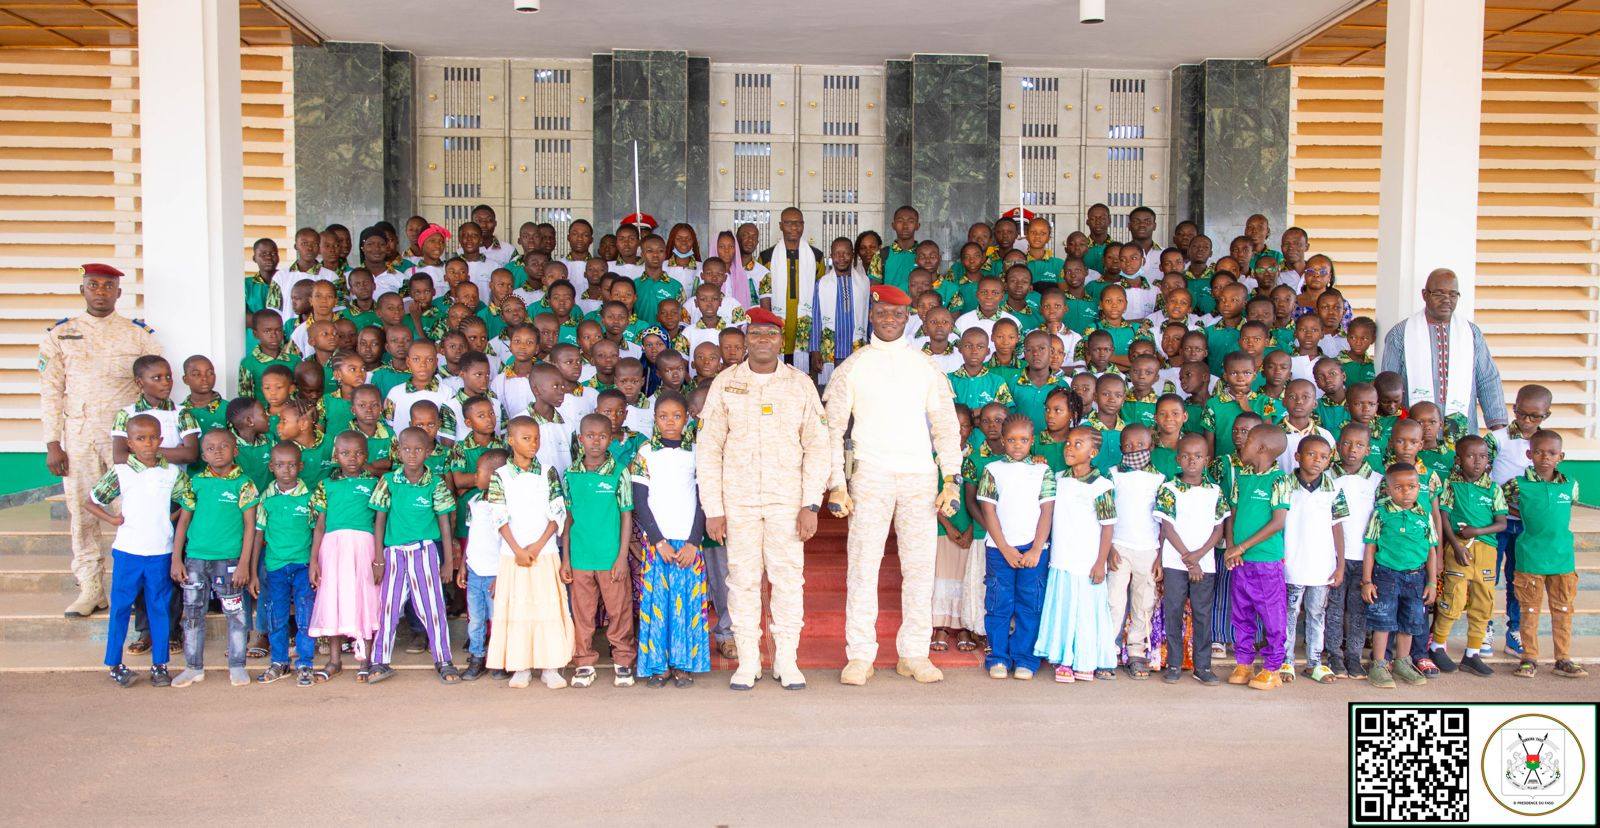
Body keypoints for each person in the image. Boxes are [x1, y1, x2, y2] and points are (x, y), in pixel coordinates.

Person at [824, 284, 963, 686]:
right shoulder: (853, 365)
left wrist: (950, 478)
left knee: (919, 569)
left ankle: (914, 653)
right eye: (882, 313)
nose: (889, 320)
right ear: (871, 316)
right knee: (863, 567)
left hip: (920, 475)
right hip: (870, 474)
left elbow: (945, 426)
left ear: (909, 318)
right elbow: (832, 429)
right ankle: (860, 656)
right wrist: (837, 483)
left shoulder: (925, 366)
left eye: (897, 314)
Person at [697, 307, 829, 691]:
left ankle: (786, 660)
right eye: (755, 334)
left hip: (786, 501)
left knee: (788, 580)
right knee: (741, 580)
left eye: (770, 335)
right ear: (745, 339)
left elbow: (817, 447)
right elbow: (709, 449)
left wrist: (811, 504)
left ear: (781, 341)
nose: (762, 342)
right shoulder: (726, 383)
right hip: (737, 501)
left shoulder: (799, 385)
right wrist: (714, 509)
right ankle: (749, 660)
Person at [41, 263, 164, 618]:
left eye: (108, 286)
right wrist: (52, 442)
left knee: (133, 510)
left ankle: (132, 588)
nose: (100, 291)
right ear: (82, 289)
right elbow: (51, 391)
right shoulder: (60, 335)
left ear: (119, 293)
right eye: (93, 285)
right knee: (82, 512)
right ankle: (90, 588)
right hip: (78, 437)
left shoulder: (138, 336)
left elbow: (154, 384)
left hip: (127, 439)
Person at [85, 414, 184, 687]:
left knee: (159, 607)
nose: (148, 443)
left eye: (153, 437)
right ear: (129, 443)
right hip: (128, 552)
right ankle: (115, 664)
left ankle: (160, 665)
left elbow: (188, 502)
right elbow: (91, 502)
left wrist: (170, 520)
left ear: (161, 440)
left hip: (160, 552)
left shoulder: (171, 472)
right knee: (120, 607)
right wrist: (112, 520)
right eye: (140, 439)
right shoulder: (121, 471)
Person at [486, 416, 575, 690]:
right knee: (518, 609)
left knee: (547, 607)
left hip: (544, 552)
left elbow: (557, 511)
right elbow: (498, 516)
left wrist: (536, 547)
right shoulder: (500, 476)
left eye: (536, 437)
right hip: (514, 556)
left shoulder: (547, 471)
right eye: (526, 438)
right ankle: (521, 666)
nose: (533, 443)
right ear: (510, 440)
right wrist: (517, 550)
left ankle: (550, 666)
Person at [367, 427, 460, 685]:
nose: (411, 454)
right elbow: (379, 520)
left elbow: (445, 520)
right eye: (406, 449)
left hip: (425, 550)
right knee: (388, 607)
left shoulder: (435, 483)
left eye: (418, 449)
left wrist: (448, 562)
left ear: (429, 452)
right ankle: (380, 661)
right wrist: (378, 558)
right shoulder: (388, 481)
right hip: (394, 552)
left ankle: (443, 660)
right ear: (397, 450)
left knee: (433, 607)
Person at [630, 393, 710, 688]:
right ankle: (658, 666)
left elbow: (704, 499)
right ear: (655, 419)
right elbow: (640, 500)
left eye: (676, 416)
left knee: (686, 606)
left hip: (688, 543)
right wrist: (658, 541)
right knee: (657, 604)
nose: (670, 422)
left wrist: (693, 541)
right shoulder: (646, 453)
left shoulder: (697, 452)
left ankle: (683, 664)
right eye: (663, 416)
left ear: (686, 418)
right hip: (658, 544)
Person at [169, 431, 257, 688]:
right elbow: (183, 522)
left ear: (235, 450)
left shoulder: (244, 483)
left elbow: (250, 526)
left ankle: (238, 666)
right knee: (193, 614)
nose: (217, 451)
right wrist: (177, 558)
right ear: (203, 454)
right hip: (196, 560)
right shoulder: (195, 482)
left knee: (236, 615)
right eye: (210, 448)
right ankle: (193, 667)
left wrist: (243, 563)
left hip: (229, 561)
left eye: (224, 446)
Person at [1034, 425, 1118, 683]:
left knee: (1085, 613)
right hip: (1062, 559)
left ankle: (1085, 660)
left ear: (1093, 452)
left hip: (1087, 562)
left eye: (1078, 444)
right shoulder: (1058, 478)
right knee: (1065, 609)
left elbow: (1107, 527)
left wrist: (1100, 562)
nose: (1069, 448)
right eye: (1068, 443)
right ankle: (1064, 660)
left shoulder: (1102, 486)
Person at [975, 413, 1056, 680]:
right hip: (1000, 550)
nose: (1017, 445)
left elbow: (1047, 512)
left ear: (1032, 441)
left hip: (1035, 550)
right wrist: (1005, 548)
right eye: (1011, 440)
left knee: (1029, 605)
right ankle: (998, 657)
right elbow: (989, 512)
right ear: (1003, 440)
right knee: (998, 603)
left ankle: (1025, 658)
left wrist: (1036, 548)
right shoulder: (992, 470)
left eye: (1023, 440)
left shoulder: (1043, 471)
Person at [1380, 268, 1505, 433]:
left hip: (1461, 436)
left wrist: (1498, 429)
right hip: (1414, 435)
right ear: (1425, 295)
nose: (1447, 300)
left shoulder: (1471, 333)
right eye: (1439, 294)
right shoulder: (1400, 333)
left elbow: (1488, 380)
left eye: (1453, 294)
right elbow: (1388, 385)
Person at [1504, 429, 1587, 679]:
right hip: (1530, 558)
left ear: (1560, 456)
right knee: (1529, 610)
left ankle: (1563, 659)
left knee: (1563, 610)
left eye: (1551, 453)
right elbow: (1499, 502)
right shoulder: (1518, 484)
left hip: (1562, 559)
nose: (1545, 458)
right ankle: (1529, 658)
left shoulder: (1570, 486)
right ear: (1529, 454)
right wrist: (1524, 515)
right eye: (1539, 452)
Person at [563, 415, 637, 688]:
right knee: (582, 613)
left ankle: (623, 661)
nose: (596, 441)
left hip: (610, 558)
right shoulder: (571, 474)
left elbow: (627, 516)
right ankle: (583, 662)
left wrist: (621, 558)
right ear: (580, 439)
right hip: (581, 557)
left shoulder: (619, 472)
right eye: (590, 436)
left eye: (602, 436)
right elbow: (568, 520)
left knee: (619, 611)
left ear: (611, 439)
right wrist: (566, 559)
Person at [307, 432, 383, 683]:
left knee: (365, 597)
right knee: (334, 599)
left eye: (359, 453)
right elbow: (319, 525)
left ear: (367, 455)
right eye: (345, 453)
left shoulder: (375, 483)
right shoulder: (326, 485)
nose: (352, 458)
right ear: (335, 455)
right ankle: (335, 660)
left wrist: (379, 557)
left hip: (364, 546)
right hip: (333, 547)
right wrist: (314, 560)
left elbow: (380, 522)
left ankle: (366, 658)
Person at [1154, 433, 1228, 685]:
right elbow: (1167, 528)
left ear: (1206, 460)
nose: (1192, 461)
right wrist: (1189, 559)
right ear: (1178, 459)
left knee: (1202, 614)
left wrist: (1198, 558)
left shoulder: (1214, 491)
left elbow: (1219, 528)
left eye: (1198, 456)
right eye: (1186, 456)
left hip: (1205, 564)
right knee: (1173, 612)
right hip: (1175, 563)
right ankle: (1174, 663)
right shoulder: (1169, 489)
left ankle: (1203, 666)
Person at [1223, 425, 1292, 691]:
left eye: (1248, 439)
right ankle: (1243, 662)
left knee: (1272, 614)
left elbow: (1277, 523)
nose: (1242, 441)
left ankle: (1273, 667)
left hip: (1266, 560)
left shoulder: (1279, 480)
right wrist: (1231, 548)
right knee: (1241, 612)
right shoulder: (1242, 477)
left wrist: (1242, 546)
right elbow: (1233, 514)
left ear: (1262, 448)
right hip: (1241, 560)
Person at [1430, 435, 1505, 677]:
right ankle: (1437, 646)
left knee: (1484, 602)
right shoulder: (1451, 485)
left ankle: (1472, 653)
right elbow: (1443, 517)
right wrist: (1456, 544)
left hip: (1486, 551)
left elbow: (1501, 523)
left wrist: (1478, 531)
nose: (1477, 461)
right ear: (1458, 459)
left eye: (1482, 456)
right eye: (1471, 456)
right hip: (1458, 549)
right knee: (1453, 598)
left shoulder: (1493, 489)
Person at [1360, 463, 1439, 689]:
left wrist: (1432, 582)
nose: (1406, 492)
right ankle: (1379, 664)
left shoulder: (1423, 515)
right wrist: (1367, 581)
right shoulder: (1381, 513)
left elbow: (1431, 550)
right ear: (1388, 489)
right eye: (1399, 488)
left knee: (1410, 621)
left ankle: (1403, 662)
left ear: (1418, 487)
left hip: (1416, 578)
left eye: (1412, 487)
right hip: (1386, 575)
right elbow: (1371, 547)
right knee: (1383, 620)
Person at [1280, 435, 1349, 685]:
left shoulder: (1334, 489)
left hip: (1322, 566)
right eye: (1311, 454)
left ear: (1330, 460)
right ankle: (1286, 660)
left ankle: (1314, 662)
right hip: (1291, 563)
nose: (1317, 460)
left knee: (1317, 613)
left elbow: (1338, 527)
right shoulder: (1284, 484)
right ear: (1297, 457)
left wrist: (1340, 564)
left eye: (1323, 456)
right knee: (1288, 612)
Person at [250, 442, 317, 687]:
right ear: (271, 467)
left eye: (291, 465)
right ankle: (279, 661)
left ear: (300, 466)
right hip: (275, 567)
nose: (286, 470)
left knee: (304, 614)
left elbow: (317, 533)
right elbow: (258, 534)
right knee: (275, 615)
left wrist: (315, 564)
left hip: (302, 566)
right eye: (280, 465)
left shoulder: (309, 498)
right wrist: (253, 573)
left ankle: (305, 663)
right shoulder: (266, 500)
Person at [1105, 425, 1165, 679]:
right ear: (1120, 448)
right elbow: (1104, 514)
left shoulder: (1159, 479)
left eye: (1139, 445)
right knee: (1114, 602)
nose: (1133, 450)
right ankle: (1107, 650)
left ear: (1150, 446)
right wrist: (1107, 548)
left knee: (1144, 602)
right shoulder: (1112, 475)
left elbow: (1163, 521)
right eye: (1127, 446)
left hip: (1148, 550)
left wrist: (1160, 556)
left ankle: (1137, 652)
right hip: (1118, 546)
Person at [1327, 423, 1380, 679]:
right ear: (1338, 446)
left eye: (1359, 445)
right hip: (1335, 555)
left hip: (1365, 558)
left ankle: (1354, 656)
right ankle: (1335, 655)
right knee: (1335, 608)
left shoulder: (1377, 481)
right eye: (1347, 443)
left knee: (1358, 609)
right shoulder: (1327, 478)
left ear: (1368, 450)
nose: (1352, 450)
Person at [456, 449, 507, 681]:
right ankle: (477, 657)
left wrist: (502, 575)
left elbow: (506, 543)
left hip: (495, 573)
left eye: (479, 472)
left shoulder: (505, 506)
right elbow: (472, 536)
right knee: (475, 618)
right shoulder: (474, 502)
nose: (475, 476)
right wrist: (464, 566)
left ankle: (499, 659)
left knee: (497, 619)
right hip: (475, 572)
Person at [758, 207, 825, 372]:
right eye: (788, 223)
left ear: (803, 225)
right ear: (780, 226)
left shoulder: (816, 257)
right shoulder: (767, 257)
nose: (794, 227)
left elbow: (821, 295)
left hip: (805, 326)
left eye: (798, 223)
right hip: (778, 323)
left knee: (804, 375)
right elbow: (763, 294)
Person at [809, 237, 871, 386]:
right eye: (837, 254)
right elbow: (816, 317)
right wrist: (815, 350)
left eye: (846, 253)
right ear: (831, 255)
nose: (841, 258)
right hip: (831, 351)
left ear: (853, 254)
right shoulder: (822, 283)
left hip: (856, 348)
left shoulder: (864, 282)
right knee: (829, 395)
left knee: (855, 394)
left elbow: (869, 316)